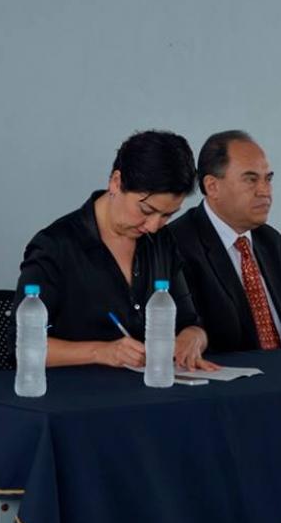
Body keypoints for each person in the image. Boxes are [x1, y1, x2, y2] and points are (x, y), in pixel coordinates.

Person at [15, 130, 215, 370]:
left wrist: (193, 338)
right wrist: (102, 352)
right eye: (146, 210)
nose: (153, 226)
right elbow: (21, 347)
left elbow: (190, 322)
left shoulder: (162, 241)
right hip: (77, 388)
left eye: (167, 215)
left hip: (152, 384)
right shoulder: (55, 246)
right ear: (116, 182)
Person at [169, 130, 281, 353]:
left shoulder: (271, 241)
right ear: (212, 186)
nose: (265, 191)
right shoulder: (178, 244)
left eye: (268, 179)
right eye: (251, 179)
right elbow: (192, 334)